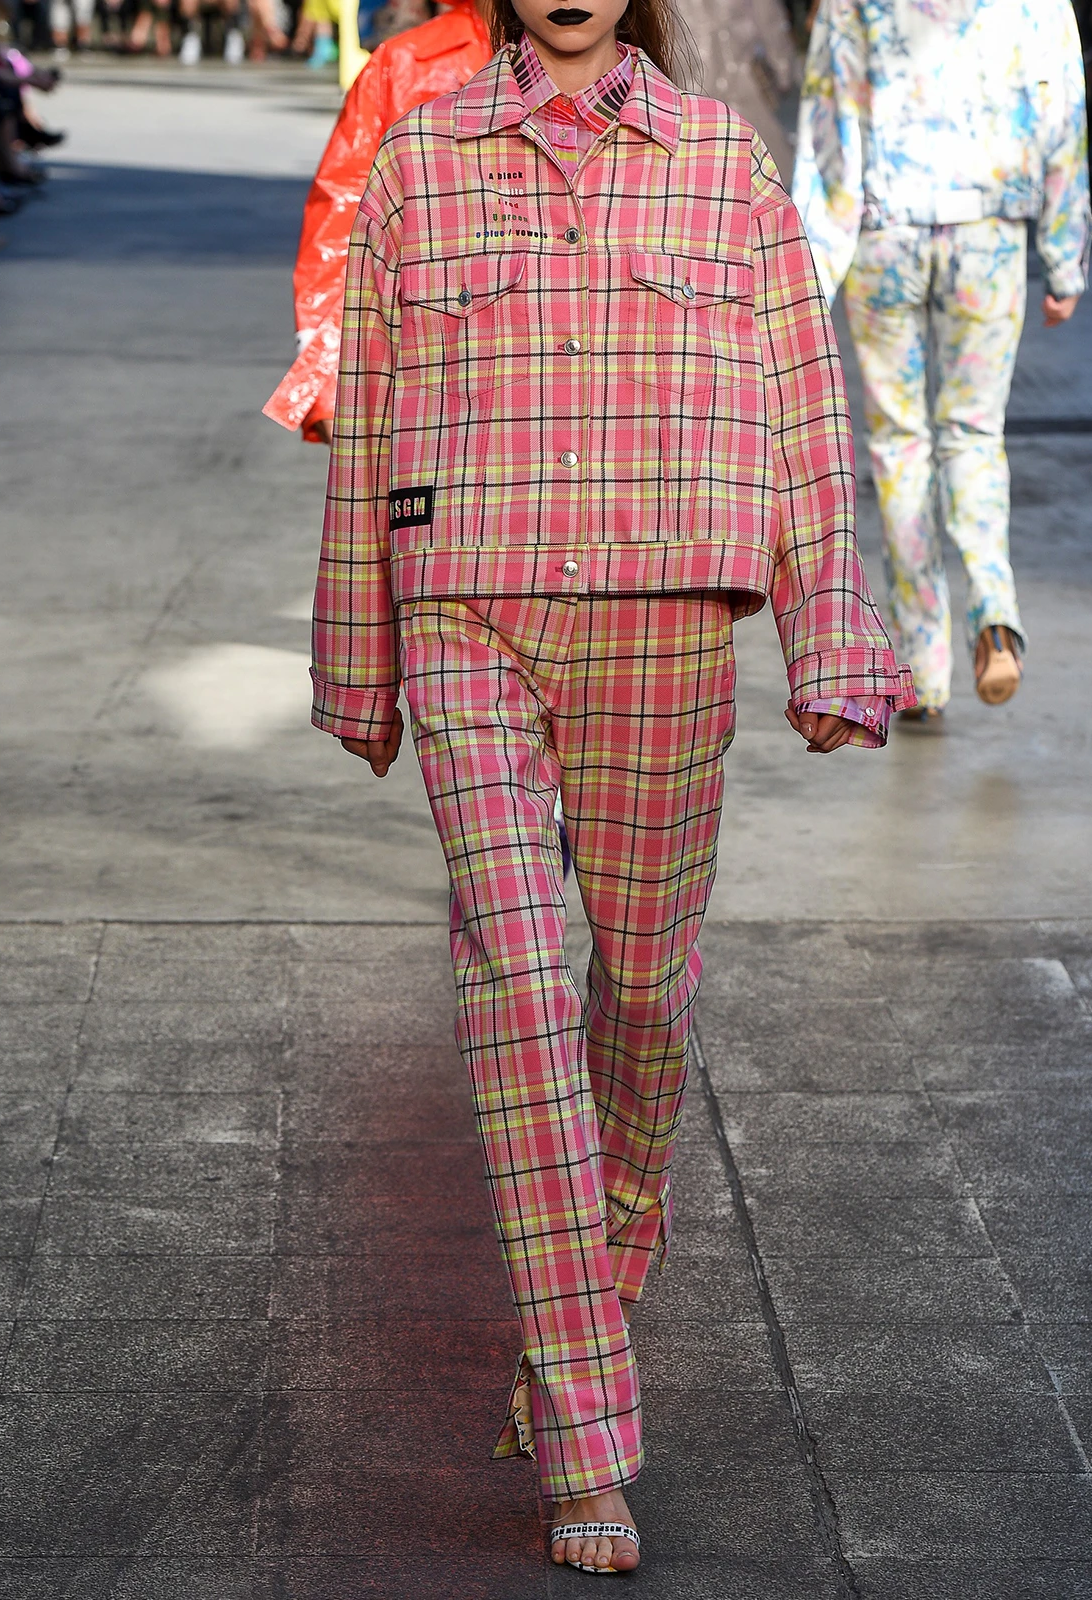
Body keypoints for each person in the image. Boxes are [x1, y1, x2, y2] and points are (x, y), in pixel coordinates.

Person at [309, 0, 914, 1573]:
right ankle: (586, 1434)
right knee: (518, 979)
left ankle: (587, 1284)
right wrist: (355, 656)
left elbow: (801, 409)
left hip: (666, 615)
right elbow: (368, 417)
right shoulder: (425, 159)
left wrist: (830, 637)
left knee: (642, 997)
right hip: (470, 607)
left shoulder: (723, 163)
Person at [792, 0, 1092, 721]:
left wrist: (812, 273)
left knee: (900, 445)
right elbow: (1062, 114)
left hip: (886, 233)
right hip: (989, 233)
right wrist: (1064, 255)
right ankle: (996, 616)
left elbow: (832, 117)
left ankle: (922, 666)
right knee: (975, 433)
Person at [263, 0, 491, 443]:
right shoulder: (406, 63)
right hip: (437, 374)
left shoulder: (619, 62)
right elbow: (346, 213)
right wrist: (327, 372)